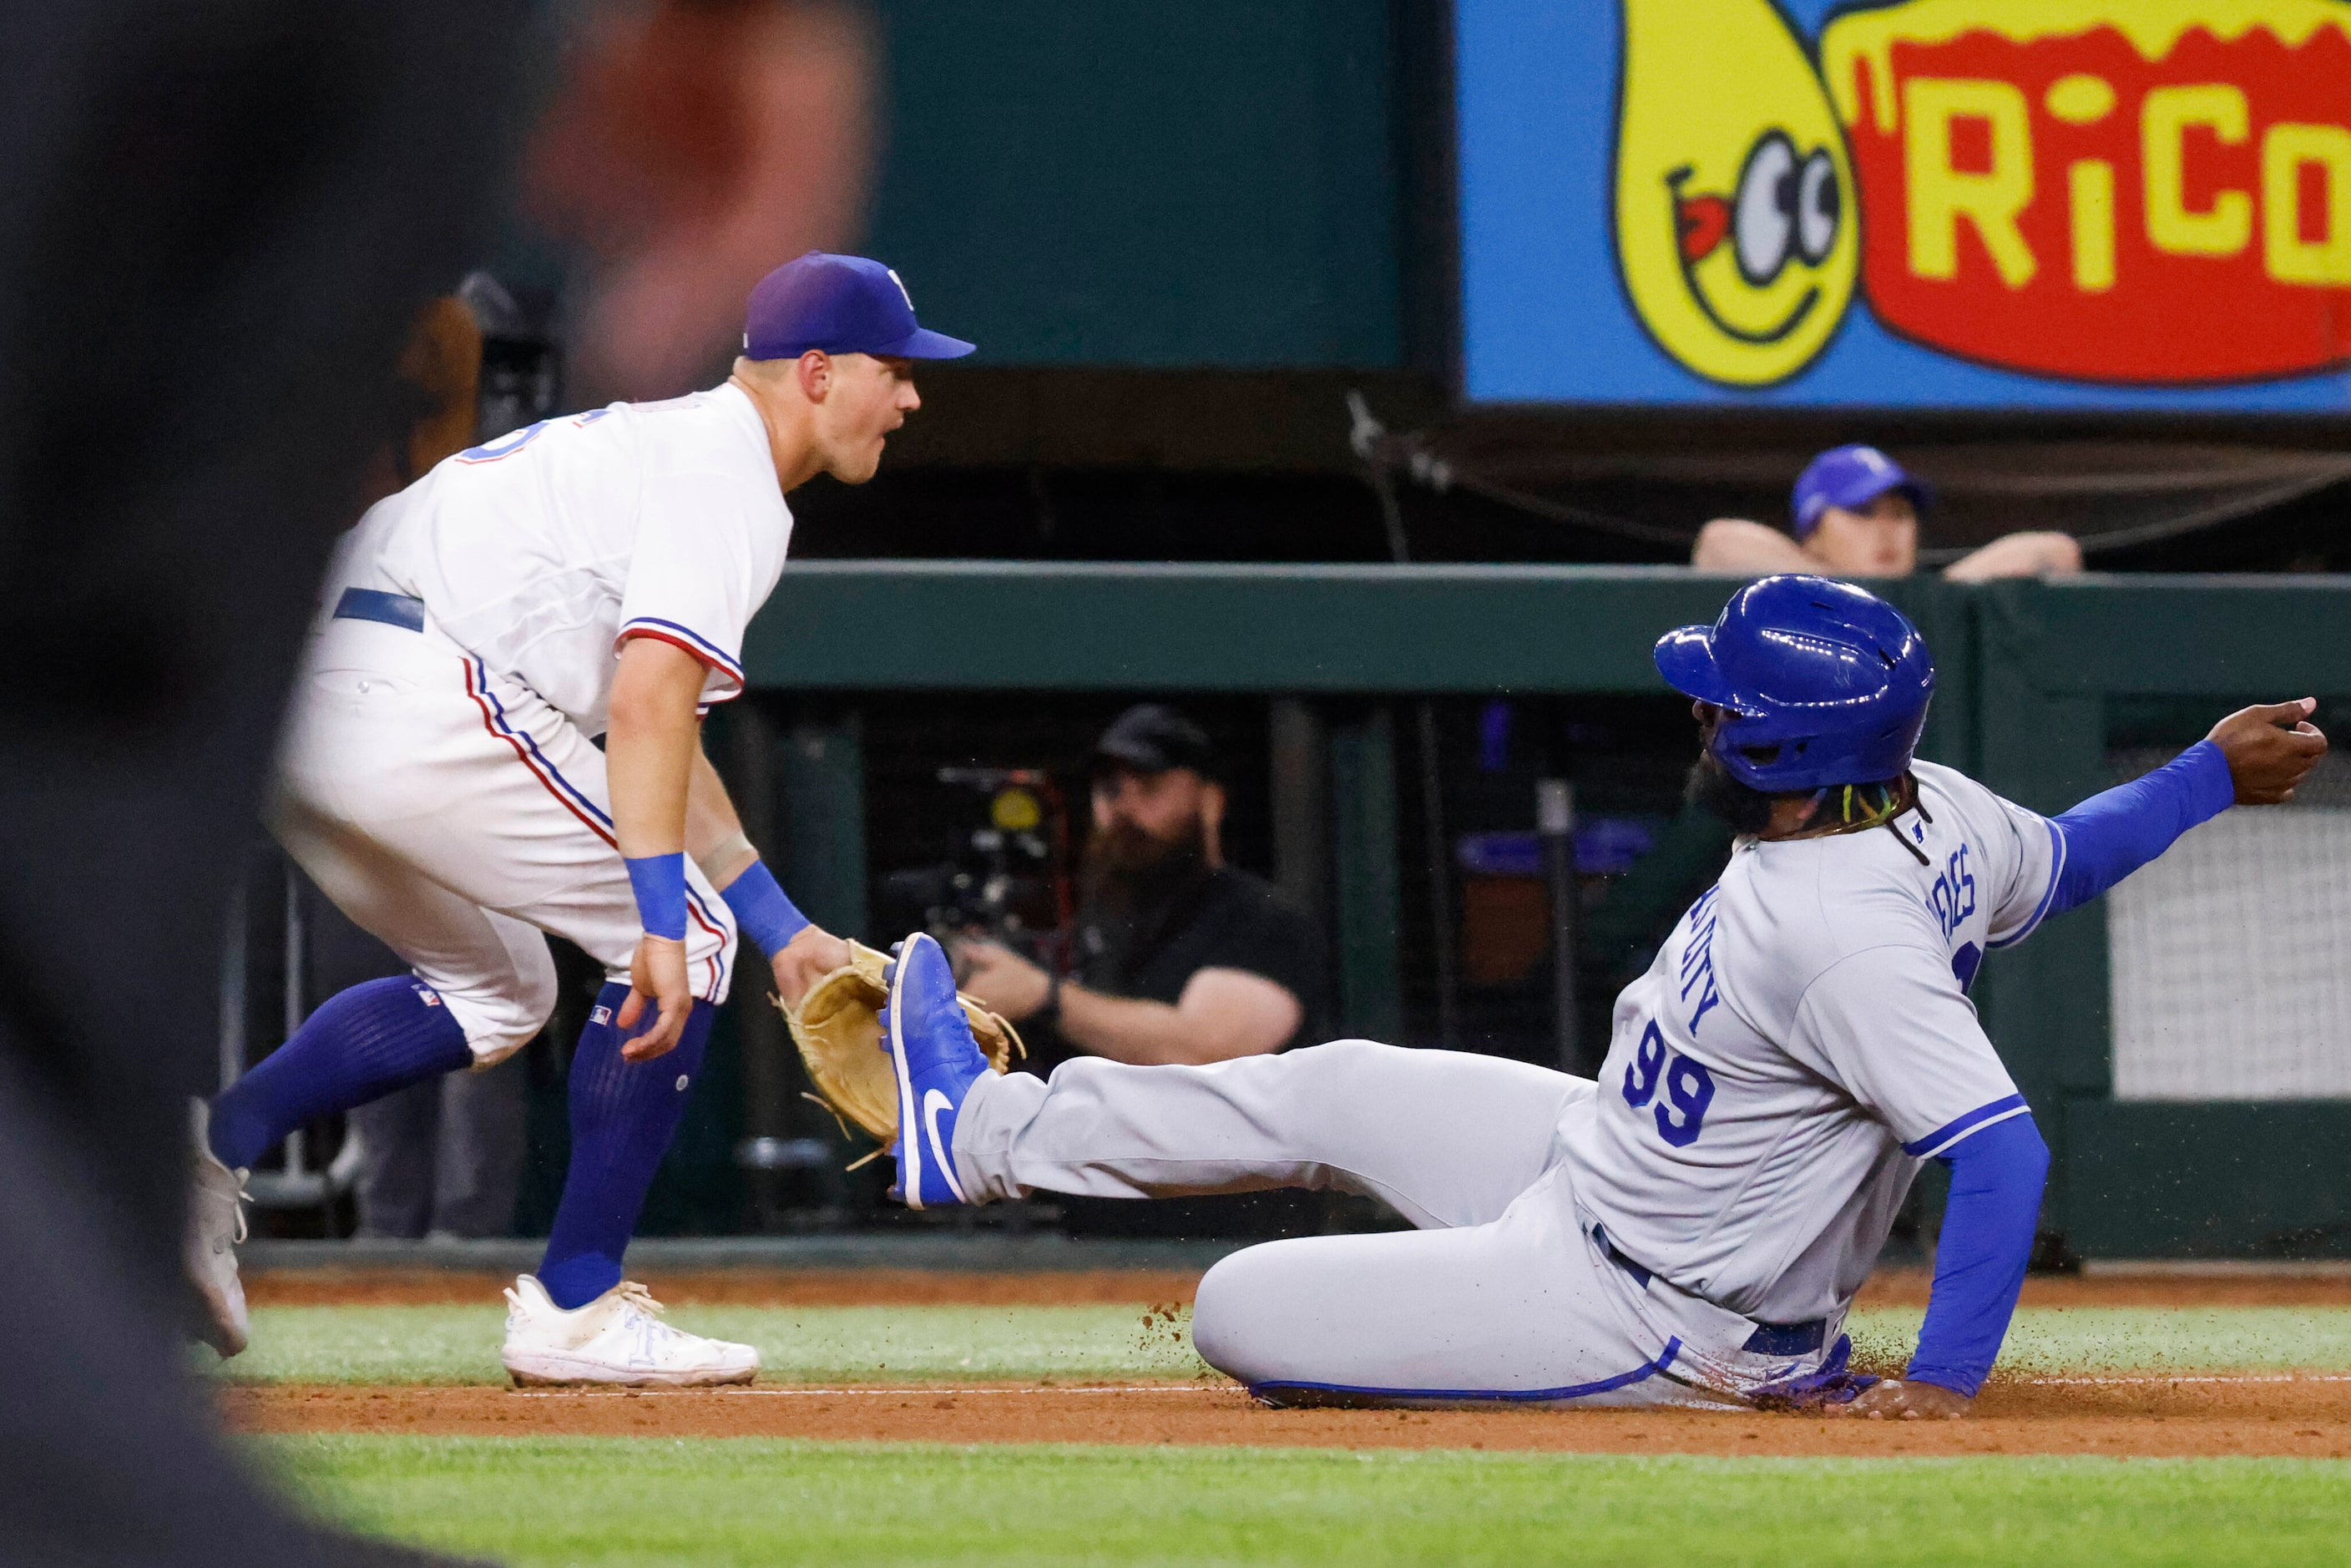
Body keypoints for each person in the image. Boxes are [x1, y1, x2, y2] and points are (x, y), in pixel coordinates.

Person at [867, 576, 2323, 1415]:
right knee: (1335, 1079)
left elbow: (2001, 1152)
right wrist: (2207, 773)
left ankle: (1751, 1370)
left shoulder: (1840, 928)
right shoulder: (1931, 801)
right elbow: (2065, 857)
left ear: (1772, 750)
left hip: (1649, 1303)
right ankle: (981, 1134)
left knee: (1237, 1308)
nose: (1698, 717)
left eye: (1718, 706)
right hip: (1605, 1155)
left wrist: (1938, 1390)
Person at [187, 251, 974, 1386]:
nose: (910, 397)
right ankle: (576, 1304)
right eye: (893, 369)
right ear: (815, 370)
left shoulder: (668, 445)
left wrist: (782, 928)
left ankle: (212, 1151)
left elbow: (662, 734)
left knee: (500, 993)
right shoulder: (731, 475)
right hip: (421, 690)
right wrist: (670, 917)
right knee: (680, 943)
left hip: (307, 694)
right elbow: (647, 703)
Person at [955, 705, 1326, 1070]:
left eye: (1150, 787)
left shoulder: (1263, 921)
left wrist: (1044, 997)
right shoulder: (1091, 927)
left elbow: (1208, 1051)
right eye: (1111, 790)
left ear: (1211, 802)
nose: (1125, 808)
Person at [1693, 443, 2083, 583]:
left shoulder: (1932, 611)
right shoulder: (1791, 600)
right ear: (1813, 533)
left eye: (1899, 515)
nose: (1885, 531)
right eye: (1862, 511)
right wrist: (1846, 593)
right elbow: (1718, 542)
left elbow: (2059, 552)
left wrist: (1938, 595)